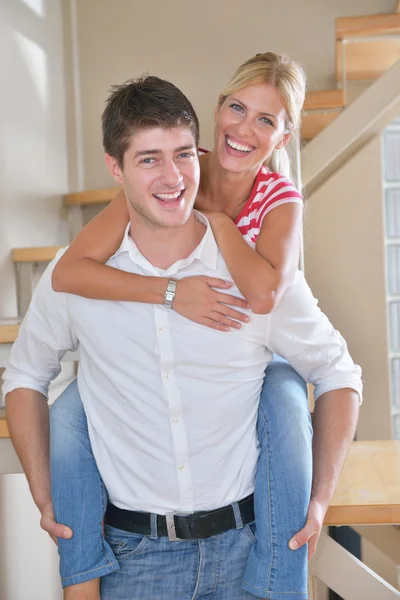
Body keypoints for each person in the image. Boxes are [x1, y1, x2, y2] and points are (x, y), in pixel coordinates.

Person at [3, 73, 361, 600]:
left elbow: (337, 372)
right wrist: (42, 489)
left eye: (184, 154)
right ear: (115, 169)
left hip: (247, 553)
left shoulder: (252, 270)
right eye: (148, 159)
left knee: (284, 390)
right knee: (68, 409)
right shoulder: (76, 275)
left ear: (202, 154)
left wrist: (319, 499)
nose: (173, 177)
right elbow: (26, 374)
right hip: (132, 562)